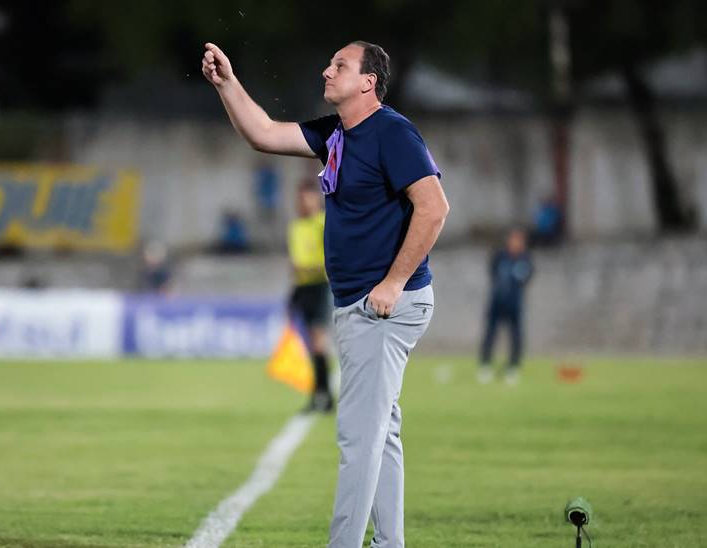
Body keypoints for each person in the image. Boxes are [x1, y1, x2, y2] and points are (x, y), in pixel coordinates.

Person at [202, 40, 450, 548]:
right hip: (362, 303)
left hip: (384, 306)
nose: (327, 71)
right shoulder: (337, 133)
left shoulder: (391, 131)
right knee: (380, 435)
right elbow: (263, 133)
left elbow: (434, 207)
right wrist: (227, 84)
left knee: (358, 438)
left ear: (368, 82)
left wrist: (392, 283)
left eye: (340, 65)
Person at [287, 180, 333, 413]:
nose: (303, 203)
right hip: (301, 287)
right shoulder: (295, 226)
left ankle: (324, 395)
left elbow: (328, 259)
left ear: (316, 199)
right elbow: (295, 260)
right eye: (300, 199)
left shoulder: (323, 223)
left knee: (318, 341)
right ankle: (318, 393)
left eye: (306, 198)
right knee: (308, 342)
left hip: (320, 285)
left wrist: (307, 268)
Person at [478, 228, 534, 385]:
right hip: (497, 301)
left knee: (515, 335)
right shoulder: (500, 256)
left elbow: (527, 278)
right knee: (490, 333)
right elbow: (493, 274)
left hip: (514, 303)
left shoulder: (525, 259)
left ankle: (513, 367)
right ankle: (485, 365)